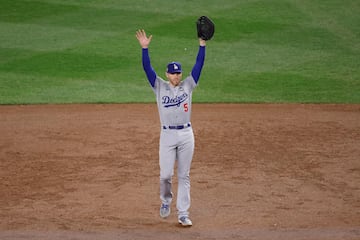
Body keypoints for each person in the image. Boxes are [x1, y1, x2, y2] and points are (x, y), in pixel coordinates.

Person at [135, 29, 206, 227]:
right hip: (167, 134)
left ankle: (183, 213)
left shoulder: (188, 85)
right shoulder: (159, 86)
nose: (176, 76)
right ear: (167, 74)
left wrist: (202, 45)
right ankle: (166, 200)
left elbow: (199, 65)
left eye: (178, 72)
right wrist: (145, 49)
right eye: (173, 73)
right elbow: (147, 68)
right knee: (165, 175)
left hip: (186, 134)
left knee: (184, 175)